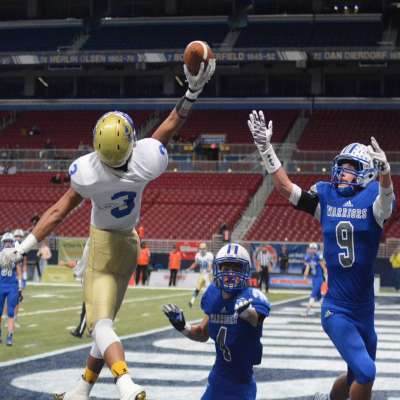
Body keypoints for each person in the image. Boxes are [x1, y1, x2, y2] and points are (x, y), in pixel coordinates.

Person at [0, 58, 215, 400]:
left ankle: (125, 383)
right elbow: (169, 126)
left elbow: (57, 213)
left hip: (102, 249)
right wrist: (191, 92)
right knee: (104, 329)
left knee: (101, 326)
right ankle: (82, 388)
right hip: (130, 246)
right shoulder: (146, 161)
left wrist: (22, 248)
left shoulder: (88, 173)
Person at [248, 110, 395, 400]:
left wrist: (386, 173)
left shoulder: (374, 200)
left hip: (365, 310)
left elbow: (387, 204)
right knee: (366, 372)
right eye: (342, 167)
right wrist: (267, 150)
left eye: (351, 168)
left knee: (357, 374)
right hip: (336, 309)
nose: (343, 173)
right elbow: (285, 188)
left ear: (366, 173)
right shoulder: (326, 198)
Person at [162, 243, 270, 400]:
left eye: (236, 269)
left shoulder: (251, 296)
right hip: (217, 380)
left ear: (245, 271)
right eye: (226, 269)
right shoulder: (212, 295)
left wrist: (246, 313)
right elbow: (202, 333)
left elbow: (256, 319)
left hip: (242, 386)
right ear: (217, 269)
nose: (231, 275)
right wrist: (182, 327)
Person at [0, 233, 23, 346]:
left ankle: (10, 335)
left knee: (10, 311)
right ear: (3, 243)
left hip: (12, 286)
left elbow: (18, 271)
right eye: (6, 241)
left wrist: (19, 287)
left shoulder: (16, 255)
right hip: (1, 284)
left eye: (10, 241)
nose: (8, 243)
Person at [303, 242, 327, 316]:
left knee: (313, 294)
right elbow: (308, 267)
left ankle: (306, 311)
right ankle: (326, 311)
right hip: (314, 278)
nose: (312, 250)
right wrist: (305, 276)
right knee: (319, 297)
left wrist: (326, 276)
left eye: (314, 248)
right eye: (311, 248)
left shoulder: (318, 256)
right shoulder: (308, 257)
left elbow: (324, 267)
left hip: (319, 278)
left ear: (316, 249)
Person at [187, 243, 214, 308]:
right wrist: (190, 268)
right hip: (202, 273)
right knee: (197, 288)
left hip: (208, 274)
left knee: (209, 289)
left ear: (206, 249)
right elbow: (196, 263)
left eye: (203, 249)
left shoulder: (209, 255)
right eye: (201, 249)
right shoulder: (198, 255)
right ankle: (191, 301)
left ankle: (211, 302)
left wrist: (208, 270)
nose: (202, 250)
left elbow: (210, 267)